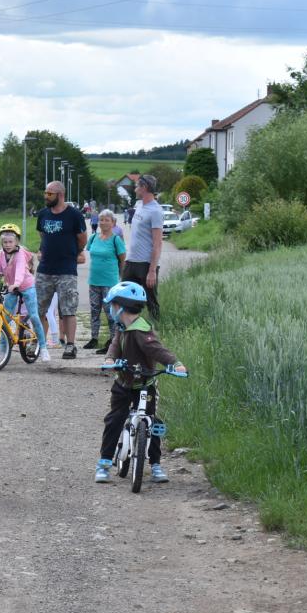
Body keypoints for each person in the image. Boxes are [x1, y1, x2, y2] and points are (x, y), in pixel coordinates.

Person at [94, 281, 186, 484]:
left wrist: (175, 363)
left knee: (152, 422)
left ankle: (155, 464)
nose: (111, 310)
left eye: (113, 305)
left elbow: (157, 350)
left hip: (145, 383)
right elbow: (115, 345)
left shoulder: (141, 331)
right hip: (123, 383)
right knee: (114, 420)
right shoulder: (122, 327)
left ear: (121, 307)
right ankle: (104, 463)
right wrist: (110, 359)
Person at [0, 223, 49, 362]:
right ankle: (2, 351)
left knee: (34, 316)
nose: (7, 245)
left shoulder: (20, 253)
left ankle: (43, 348)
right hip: (12, 287)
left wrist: (16, 283)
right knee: (5, 320)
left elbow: (20, 270)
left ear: (16, 241)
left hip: (26, 286)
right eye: (5, 242)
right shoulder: (1, 254)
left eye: (10, 242)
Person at [35, 180, 88, 359]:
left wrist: (72, 254)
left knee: (68, 309)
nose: (46, 196)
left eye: (49, 194)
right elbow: (42, 235)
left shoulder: (74, 215)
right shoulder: (43, 214)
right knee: (39, 309)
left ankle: (70, 345)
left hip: (66, 271)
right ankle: (39, 343)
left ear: (60, 195)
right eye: (45, 193)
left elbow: (82, 239)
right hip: (44, 270)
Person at [123, 173, 164, 324]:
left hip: (146, 264)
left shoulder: (155, 211)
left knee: (151, 301)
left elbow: (158, 243)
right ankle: (128, 331)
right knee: (125, 298)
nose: (135, 189)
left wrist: (152, 271)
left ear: (144, 187)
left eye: (136, 186)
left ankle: (155, 330)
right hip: (131, 261)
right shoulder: (139, 205)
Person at [85, 209, 127, 353]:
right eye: (101, 220)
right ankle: (94, 338)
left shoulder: (116, 240)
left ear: (113, 223)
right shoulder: (93, 238)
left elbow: (122, 260)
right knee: (94, 310)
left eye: (106, 220)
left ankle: (113, 340)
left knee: (110, 312)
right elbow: (90, 252)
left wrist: (121, 278)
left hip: (110, 281)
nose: (103, 223)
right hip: (94, 280)